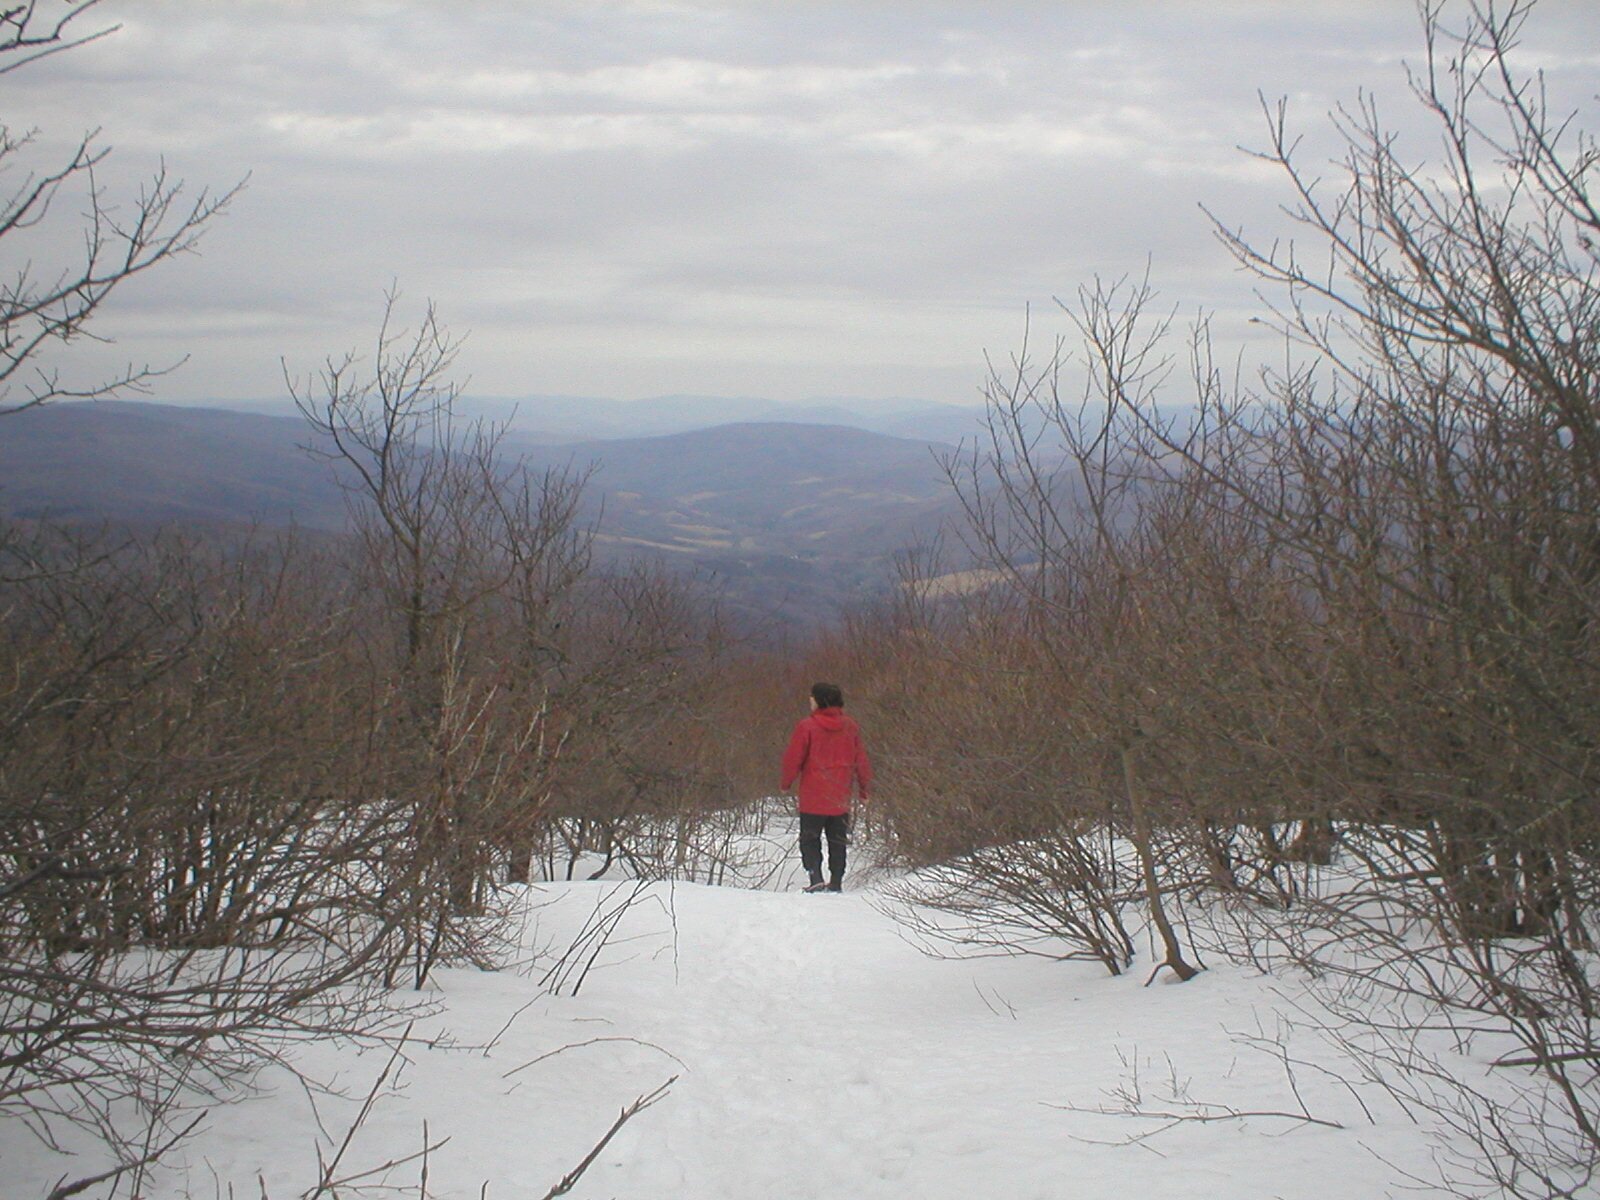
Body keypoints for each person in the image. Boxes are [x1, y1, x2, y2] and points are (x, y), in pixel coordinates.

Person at [781, 681, 873, 893]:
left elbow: (793, 758)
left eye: (812, 696)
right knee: (837, 840)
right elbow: (861, 760)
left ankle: (816, 878)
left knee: (810, 839)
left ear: (819, 700)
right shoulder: (850, 726)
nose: (810, 700)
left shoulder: (807, 726)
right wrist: (864, 790)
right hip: (840, 796)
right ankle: (836, 881)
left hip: (813, 796)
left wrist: (786, 783)